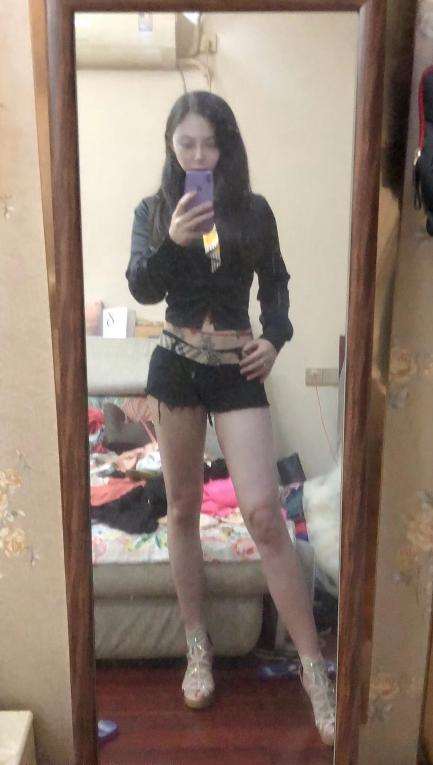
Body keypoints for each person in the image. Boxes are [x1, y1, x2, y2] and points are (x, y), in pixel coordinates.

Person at [125, 90, 336, 746]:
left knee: (265, 515)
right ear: (171, 146)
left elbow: (276, 283)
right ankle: (198, 645)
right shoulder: (153, 211)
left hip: (236, 369)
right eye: (185, 143)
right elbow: (142, 286)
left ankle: (313, 669)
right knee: (182, 508)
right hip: (176, 367)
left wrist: (274, 337)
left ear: (227, 146)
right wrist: (172, 240)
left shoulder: (253, 210)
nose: (197, 155)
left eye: (208, 144)